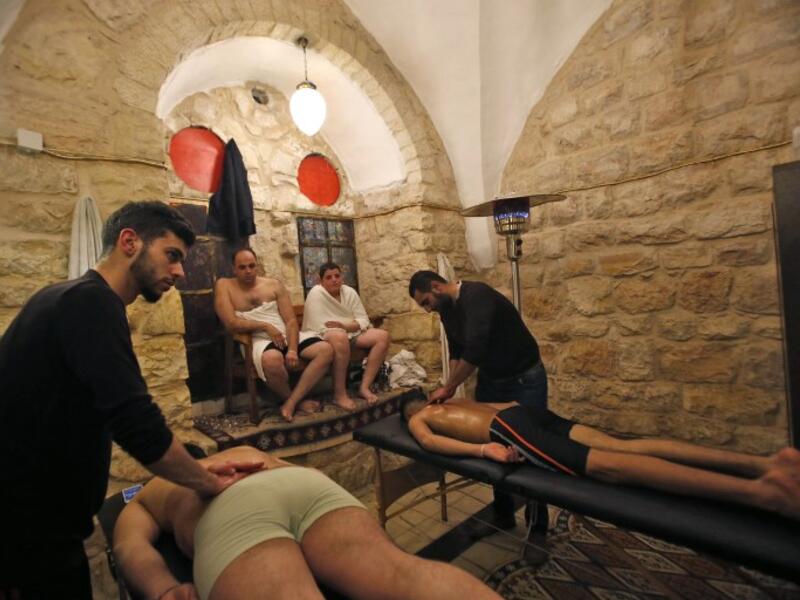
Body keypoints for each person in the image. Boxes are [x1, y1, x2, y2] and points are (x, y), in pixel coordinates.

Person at [0, 201, 262, 599]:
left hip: (38, 524)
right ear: (129, 241)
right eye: (171, 256)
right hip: (30, 530)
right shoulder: (90, 302)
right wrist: (208, 482)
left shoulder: (67, 297)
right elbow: (137, 425)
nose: (179, 271)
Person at [113, 445, 503, 600]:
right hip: (304, 483)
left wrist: (163, 590)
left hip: (234, 505)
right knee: (402, 572)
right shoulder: (248, 451)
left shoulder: (157, 486)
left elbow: (128, 544)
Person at [402, 397, 800, 521]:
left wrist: (483, 450)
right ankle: (765, 464)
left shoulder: (419, 416)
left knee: (608, 467)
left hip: (508, 429)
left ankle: (763, 493)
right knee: (623, 446)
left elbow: (432, 445)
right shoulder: (449, 399)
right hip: (521, 411)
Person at [408, 270, 546, 529]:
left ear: (437, 287)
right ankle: (503, 514)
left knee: (532, 448)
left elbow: (475, 349)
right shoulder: (446, 310)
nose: (427, 309)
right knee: (494, 442)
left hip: (525, 378)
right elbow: (457, 349)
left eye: (426, 302)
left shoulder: (477, 295)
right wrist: (448, 385)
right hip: (492, 380)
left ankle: (537, 527)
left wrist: (449, 388)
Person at [215, 247, 334, 422]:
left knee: (325, 350)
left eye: (251, 266)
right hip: (257, 338)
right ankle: (296, 400)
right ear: (234, 268)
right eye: (242, 267)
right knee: (271, 361)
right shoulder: (224, 285)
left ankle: (291, 402)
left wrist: (292, 349)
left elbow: (291, 321)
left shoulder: (273, 285)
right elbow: (231, 323)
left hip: (285, 334)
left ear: (257, 266)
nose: (248, 271)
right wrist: (264, 326)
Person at [303, 262, 390, 406]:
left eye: (337, 276)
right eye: (329, 277)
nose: (334, 280)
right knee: (339, 337)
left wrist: (345, 326)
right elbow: (319, 325)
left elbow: (363, 319)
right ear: (321, 281)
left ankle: (364, 387)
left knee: (383, 336)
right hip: (323, 336)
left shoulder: (349, 292)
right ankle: (339, 394)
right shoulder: (316, 293)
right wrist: (343, 328)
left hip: (350, 331)